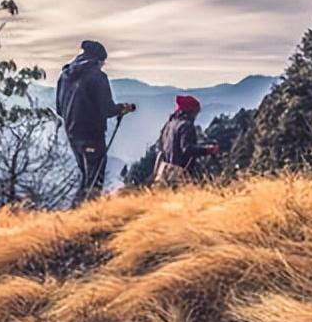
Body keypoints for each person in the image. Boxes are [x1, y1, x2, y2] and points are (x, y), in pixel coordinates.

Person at [56, 40, 135, 204]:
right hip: (92, 133)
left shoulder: (65, 75)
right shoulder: (97, 76)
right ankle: (90, 216)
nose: (102, 66)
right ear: (98, 60)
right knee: (95, 178)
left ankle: (77, 212)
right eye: (103, 63)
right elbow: (106, 109)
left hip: (72, 133)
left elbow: (59, 109)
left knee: (86, 175)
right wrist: (122, 109)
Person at [153, 94, 218, 186]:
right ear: (190, 110)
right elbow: (187, 149)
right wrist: (207, 150)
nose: (196, 116)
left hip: (164, 171)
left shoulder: (170, 124)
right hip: (178, 174)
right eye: (196, 112)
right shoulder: (186, 125)